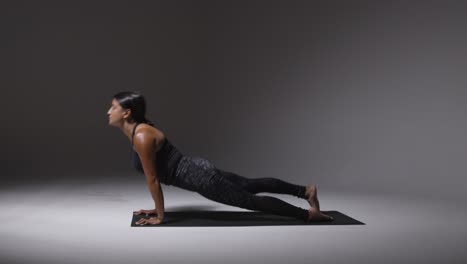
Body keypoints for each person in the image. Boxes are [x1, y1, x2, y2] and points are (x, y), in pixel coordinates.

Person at [107, 91, 333, 225]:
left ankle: (308, 215)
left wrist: (160, 215)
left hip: (200, 177)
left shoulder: (142, 136)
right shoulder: (139, 132)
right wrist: (157, 209)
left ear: (126, 113)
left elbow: (153, 180)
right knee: (248, 185)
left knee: (249, 200)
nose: (109, 111)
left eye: (113, 107)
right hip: (198, 169)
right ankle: (305, 191)